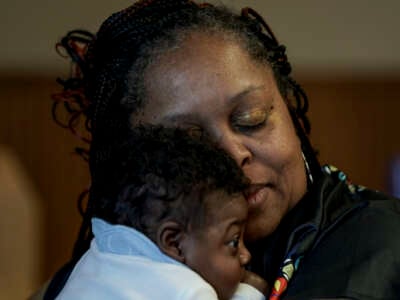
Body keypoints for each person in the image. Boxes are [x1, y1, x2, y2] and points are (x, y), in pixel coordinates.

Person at [41, 0, 400, 299]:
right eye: (191, 144)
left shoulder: (383, 246)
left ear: (290, 111)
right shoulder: (89, 282)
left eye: (251, 119)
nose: (231, 155)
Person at [56, 125, 268, 300]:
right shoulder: (187, 291)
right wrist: (250, 293)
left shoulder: (93, 261)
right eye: (233, 242)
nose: (245, 255)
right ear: (174, 242)